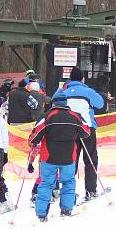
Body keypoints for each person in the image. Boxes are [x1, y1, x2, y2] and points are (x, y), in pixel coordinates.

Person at [28, 93, 90, 221]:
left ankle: (41, 213)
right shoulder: (75, 116)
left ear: (53, 103)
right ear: (66, 103)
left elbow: (34, 137)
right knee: (68, 182)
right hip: (69, 157)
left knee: (46, 184)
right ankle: (66, 209)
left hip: (48, 157)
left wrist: (32, 142)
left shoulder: (47, 116)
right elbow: (86, 132)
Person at [62, 67, 105, 200]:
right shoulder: (87, 91)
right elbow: (100, 103)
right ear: (82, 78)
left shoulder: (64, 92)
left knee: (71, 159)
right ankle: (90, 190)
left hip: (69, 129)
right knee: (91, 158)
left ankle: (68, 191)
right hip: (87, 128)